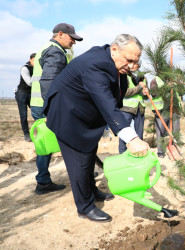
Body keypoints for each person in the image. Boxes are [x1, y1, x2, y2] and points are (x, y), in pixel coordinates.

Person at [43, 34, 149, 223]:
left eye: (136, 62)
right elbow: (107, 103)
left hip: (84, 114)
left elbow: (115, 95)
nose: (132, 66)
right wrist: (132, 139)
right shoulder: (96, 64)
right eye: (130, 60)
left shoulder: (114, 64)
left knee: (90, 153)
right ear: (115, 49)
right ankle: (84, 207)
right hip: (68, 115)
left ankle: (91, 190)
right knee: (80, 161)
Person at [30, 23, 83, 195]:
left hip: (40, 104)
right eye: (71, 38)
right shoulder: (55, 51)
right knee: (54, 142)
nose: (74, 42)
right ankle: (47, 181)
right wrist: (51, 108)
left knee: (46, 143)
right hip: (46, 106)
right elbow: (48, 81)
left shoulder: (47, 48)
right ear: (60, 34)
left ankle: (44, 181)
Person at [118, 62, 148, 153]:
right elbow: (125, 92)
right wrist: (139, 87)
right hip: (127, 108)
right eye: (133, 64)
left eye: (137, 64)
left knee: (139, 133)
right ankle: (122, 153)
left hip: (140, 108)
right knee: (124, 132)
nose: (134, 66)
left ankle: (139, 153)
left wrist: (146, 93)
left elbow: (146, 96)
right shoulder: (124, 76)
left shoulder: (143, 77)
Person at [150, 76, 182, 158]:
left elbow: (181, 93)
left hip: (175, 109)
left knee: (176, 131)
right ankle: (161, 152)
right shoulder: (155, 80)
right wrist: (166, 88)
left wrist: (180, 83)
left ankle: (175, 149)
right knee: (160, 132)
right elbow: (153, 93)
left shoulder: (173, 80)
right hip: (161, 110)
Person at [15, 53, 35, 142]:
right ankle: (26, 134)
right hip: (22, 93)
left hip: (31, 93)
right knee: (23, 115)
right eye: (34, 60)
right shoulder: (24, 68)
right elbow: (29, 82)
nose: (36, 62)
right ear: (30, 59)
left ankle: (40, 132)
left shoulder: (38, 68)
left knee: (36, 112)